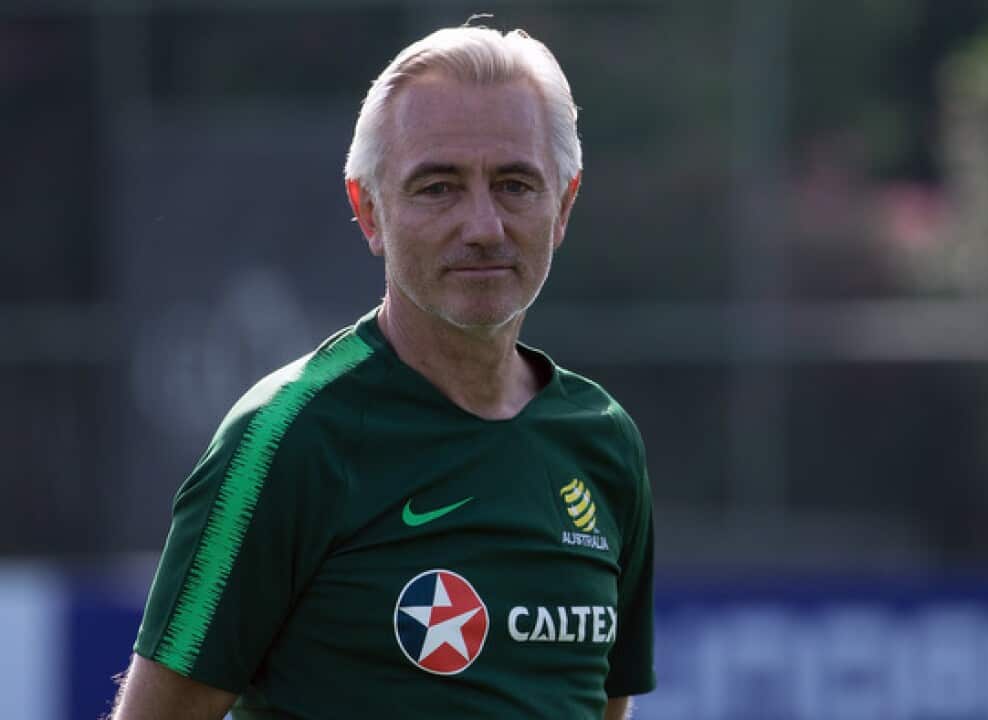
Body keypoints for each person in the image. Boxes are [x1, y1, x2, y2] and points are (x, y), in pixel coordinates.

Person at [110, 23, 655, 720]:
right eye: (438, 188)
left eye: (515, 184)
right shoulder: (286, 441)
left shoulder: (604, 446)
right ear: (370, 212)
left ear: (564, 207)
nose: (483, 224)